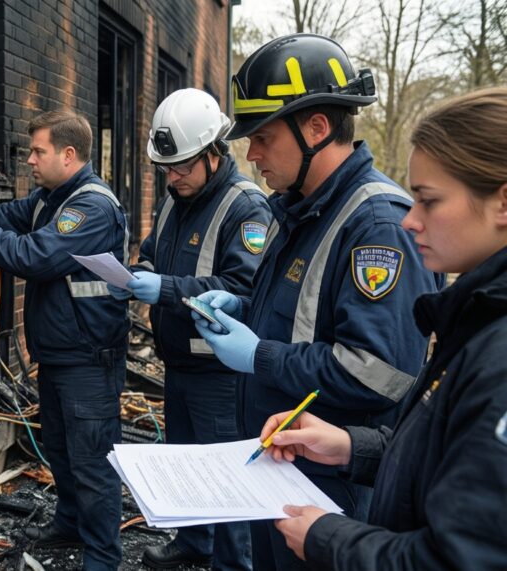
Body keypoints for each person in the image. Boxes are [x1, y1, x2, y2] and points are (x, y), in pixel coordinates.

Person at [189, 34, 442, 570]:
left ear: (316, 128)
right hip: (285, 471)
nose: (251, 155)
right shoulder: (302, 208)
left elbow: (380, 373)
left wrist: (260, 356)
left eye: (262, 137)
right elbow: (302, 315)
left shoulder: (377, 226)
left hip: (332, 492)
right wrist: (242, 306)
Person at [259, 86, 507, 570]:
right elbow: (444, 447)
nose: (411, 221)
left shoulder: (499, 353)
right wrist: (353, 448)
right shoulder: (480, 318)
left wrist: (328, 538)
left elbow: (462, 557)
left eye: (428, 200)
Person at [0, 109, 129, 571]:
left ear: (68, 155)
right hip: (60, 356)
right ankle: (71, 523)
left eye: (38, 151)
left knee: (92, 463)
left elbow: (34, 256)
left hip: (89, 359)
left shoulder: (90, 206)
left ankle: (102, 558)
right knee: (60, 449)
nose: (30, 159)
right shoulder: (48, 199)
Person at [107, 88, 271, 571]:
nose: (171, 177)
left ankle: (231, 562)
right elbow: (153, 250)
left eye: (181, 167)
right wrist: (140, 275)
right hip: (178, 363)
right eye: (167, 167)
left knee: (225, 476)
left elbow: (244, 287)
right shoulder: (177, 198)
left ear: (214, 155)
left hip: (220, 374)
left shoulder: (247, 209)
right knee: (186, 462)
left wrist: (166, 289)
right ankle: (194, 543)